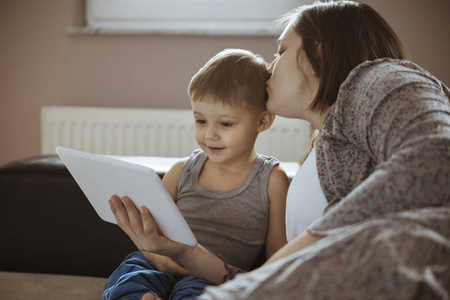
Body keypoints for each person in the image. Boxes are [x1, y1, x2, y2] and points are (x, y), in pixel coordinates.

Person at [111, 1, 450, 299]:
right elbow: (278, 279)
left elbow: (437, 159)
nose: (269, 68)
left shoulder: (379, 77)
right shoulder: (328, 148)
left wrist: (318, 240)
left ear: (320, 52)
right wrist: (184, 253)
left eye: (281, 50)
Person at [103, 48, 290, 300]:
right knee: (131, 276)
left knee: (198, 294)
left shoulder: (272, 181)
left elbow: (277, 259)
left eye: (225, 124)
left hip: (210, 277)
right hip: (157, 263)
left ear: (262, 122)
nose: (209, 135)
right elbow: (147, 236)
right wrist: (156, 257)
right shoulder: (182, 171)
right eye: (200, 121)